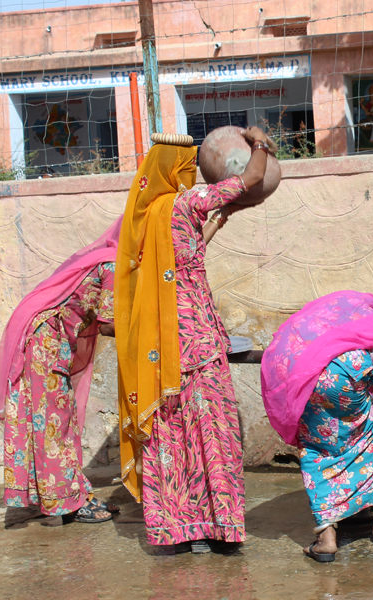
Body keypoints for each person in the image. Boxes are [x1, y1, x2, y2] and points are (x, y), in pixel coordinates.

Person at [114, 127, 271, 553]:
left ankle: (180, 530)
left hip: (162, 350)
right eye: (186, 167)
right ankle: (220, 527)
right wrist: (259, 144)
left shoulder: (146, 218)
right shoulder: (184, 202)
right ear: (175, 169)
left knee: (173, 435)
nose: (191, 174)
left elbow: (186, 253)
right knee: (213, 429)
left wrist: (219, 220)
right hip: (197, 340)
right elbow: (252, 179)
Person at [260, 287, 373, 562]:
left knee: (317, 445)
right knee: (372, 424)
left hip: (298, 368)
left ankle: (326, 538)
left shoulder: (355, 307)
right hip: (341, 376)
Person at [0, 218, 122, 523]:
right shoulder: (115, 266)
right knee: (54, 420)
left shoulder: (107, 259)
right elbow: (108, 325)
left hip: (44, 336)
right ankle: (66, 504)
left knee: (51, 418)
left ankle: (66, 496)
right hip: (45, 340)